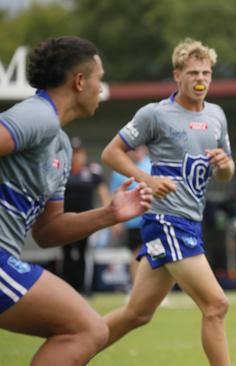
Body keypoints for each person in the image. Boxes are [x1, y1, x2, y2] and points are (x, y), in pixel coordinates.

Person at [0, 36, 152, 366]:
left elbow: (48, 230)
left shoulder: (61, 145)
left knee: (86, 328)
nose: (101, 86)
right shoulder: (37, 115)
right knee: (87, 329)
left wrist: (110, 214)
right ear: (80, 81)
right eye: (99, 77)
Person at [100, 38, 235, 366]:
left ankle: (71, 350)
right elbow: (111, 153)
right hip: (167, 221)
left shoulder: (217, 115)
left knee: (137, 313)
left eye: (206, 72)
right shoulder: (155, 114)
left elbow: (227, 173)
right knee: (216, 305)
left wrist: (224, 165)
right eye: (192, 72)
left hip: (190, 222)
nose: (200, 78)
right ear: (177, 76)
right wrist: (147, 179)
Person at [61, 137, 111, 295]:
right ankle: (67, 288)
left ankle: (83, 288)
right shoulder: (62, 170)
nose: (76, 156)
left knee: (83, 254)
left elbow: (103, 193)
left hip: (86, 221)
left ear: (83, 154)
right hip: (64, 221)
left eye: (78, 153)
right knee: (67, 254)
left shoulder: (92, 170)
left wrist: (109, 215)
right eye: (73, 153)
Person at [110, 145, 151, 283]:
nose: (137, 152)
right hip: (132, 220)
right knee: (135, 254)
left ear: (145, 149)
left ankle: (153, 291)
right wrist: (116, 222)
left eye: (139, 148)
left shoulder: (152, 165)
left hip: (151, 218)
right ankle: (135, 288)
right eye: (134, 149)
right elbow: (114, 196)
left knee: (154, 253)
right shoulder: (120, 170)